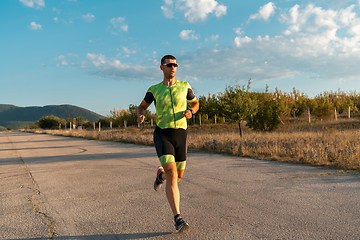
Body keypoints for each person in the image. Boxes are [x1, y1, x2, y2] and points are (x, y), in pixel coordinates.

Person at [137, 55, 199, 233]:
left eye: (175, 65)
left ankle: (160, 176)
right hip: (163, 134)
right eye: (169, 65)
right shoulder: (154, 90)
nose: (173, 67)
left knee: (176, 178)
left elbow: (195, 104)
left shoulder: (185, 86)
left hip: (181, 134)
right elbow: (142, 106)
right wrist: (140, 114)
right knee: (172, 174)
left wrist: (191, 112)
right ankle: (178, 218)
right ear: (161, 68)